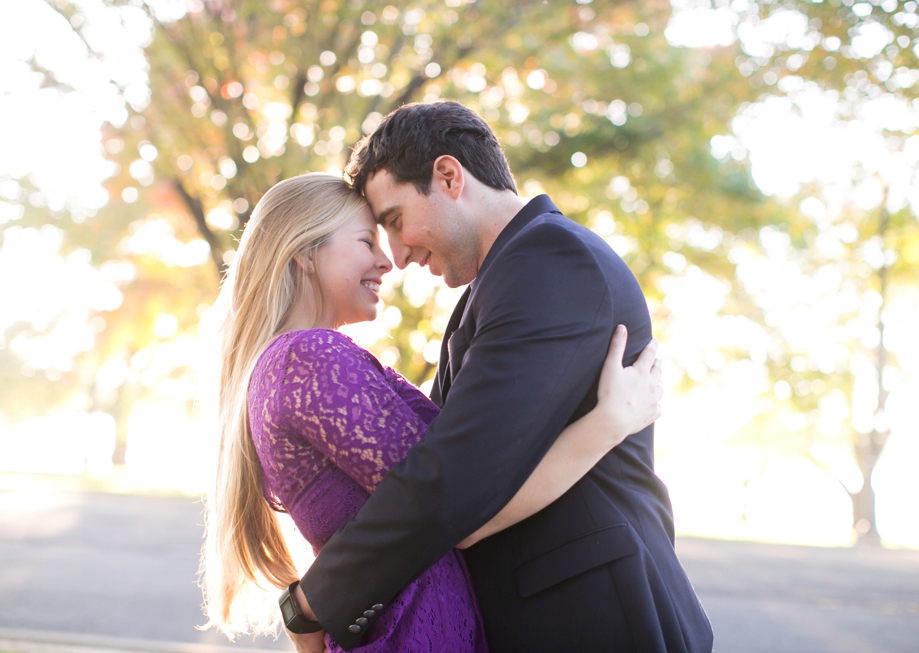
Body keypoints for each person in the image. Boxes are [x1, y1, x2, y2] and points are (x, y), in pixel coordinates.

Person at [291, 102, 713, 652]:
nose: (397, 254)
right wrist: (606, 424)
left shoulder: (550, 259)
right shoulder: (496, 286)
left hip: (598, 619)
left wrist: (316, 599)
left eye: (395, 220)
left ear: (448, 176)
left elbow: (458, 482)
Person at [200, 172, 665, 652]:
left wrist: (309, 608)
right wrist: (608, 425)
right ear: (304, 250)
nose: (387, 261)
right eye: (367, 241)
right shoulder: (308, 358)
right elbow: (458, 500)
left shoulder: (294, 363)